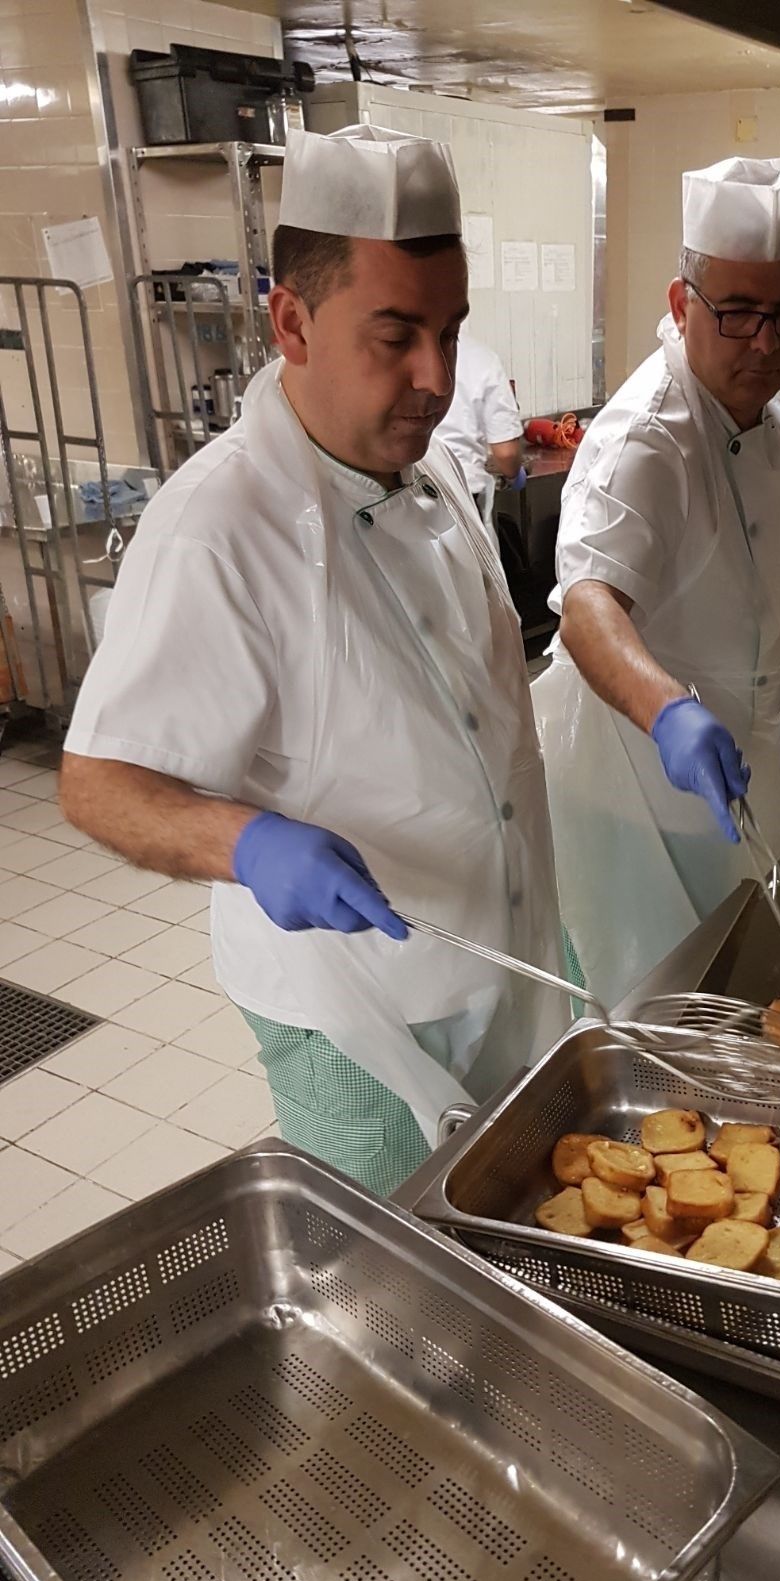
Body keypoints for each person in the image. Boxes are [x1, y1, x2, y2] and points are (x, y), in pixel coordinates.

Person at [58, 124, 566, 1195]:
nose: (436, 377)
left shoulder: (431, 482)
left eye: (451, 330)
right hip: (359, 1021)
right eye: (396, 336)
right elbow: (100, 783)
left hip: (499, 968)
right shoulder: (220, 523)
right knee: (391, 1303)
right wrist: (245, 842)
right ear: (290, 320)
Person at [532, 155, 780, 1007]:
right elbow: (588, 610)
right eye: (735, 313)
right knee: (653, 1009)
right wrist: (676, 713)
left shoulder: (771, 429)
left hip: (736, 772)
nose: (765, 342)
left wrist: (766, 704)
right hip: (637, 792)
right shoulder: (645, 441)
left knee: (728, 991)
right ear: (679, 302)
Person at [433, 330, 525, 524]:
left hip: (411, 495)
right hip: (464, 494)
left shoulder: (396, 353)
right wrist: (514, 475)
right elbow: (506, 452)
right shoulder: (481, 357)